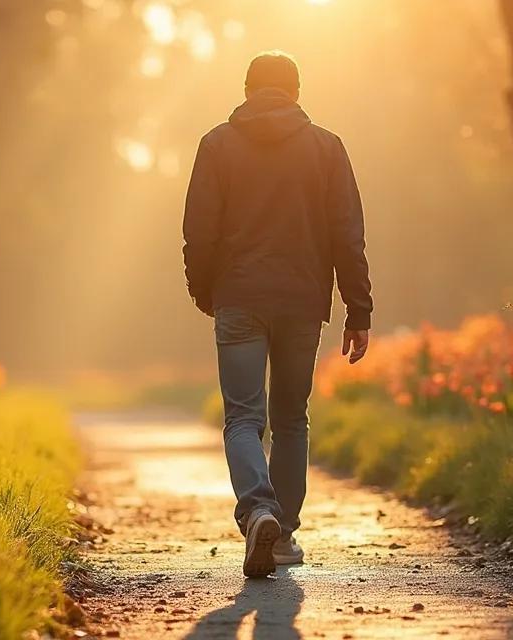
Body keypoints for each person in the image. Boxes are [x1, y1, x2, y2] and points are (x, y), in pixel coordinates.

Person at [182, 51, 374, 578]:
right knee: (291, 418)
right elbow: (347, 234)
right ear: (296, 91)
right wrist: (358, 308)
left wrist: (206, 291)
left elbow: (199, 231)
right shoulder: (326, 148)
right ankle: (283, 533)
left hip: (239, 297)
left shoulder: (216, 144)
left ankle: (257, 509)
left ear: (247, 90)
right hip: (302, 301)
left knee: (244, 417)